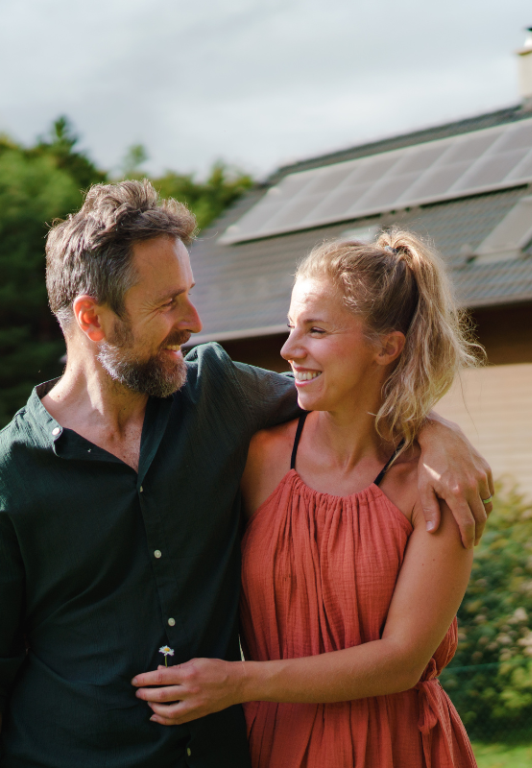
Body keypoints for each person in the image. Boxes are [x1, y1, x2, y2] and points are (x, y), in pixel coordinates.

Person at [0, 182, 493, 768]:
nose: (195, 320)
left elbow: (355, 390)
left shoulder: (218, 393)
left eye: (189, 293)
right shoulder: (13, 475)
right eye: (167, 303)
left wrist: (439, 432)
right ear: (93, 319)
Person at [132, 230, 485, 767]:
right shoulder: (258, 457)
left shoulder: (436, 483)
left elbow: (400, 662)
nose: (289, 349)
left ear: (387, 346)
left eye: (316, 330)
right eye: (292, 325)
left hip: (393, 746)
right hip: (276, 743)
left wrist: (236, 682)